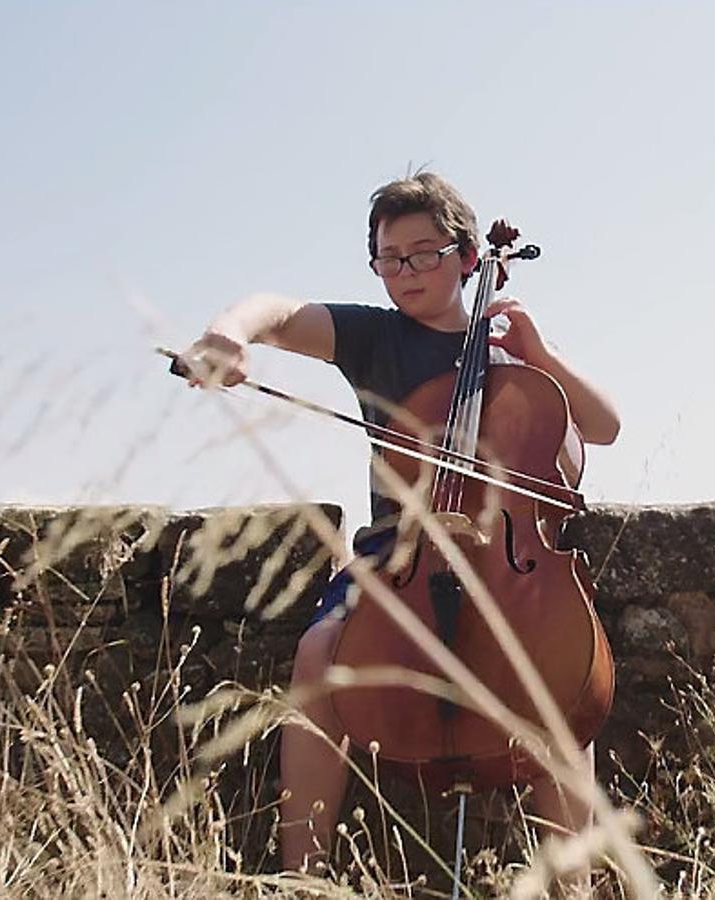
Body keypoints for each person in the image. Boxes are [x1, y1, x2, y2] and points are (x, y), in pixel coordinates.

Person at [180, 172, 621, 878]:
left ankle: (572, 882)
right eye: (389, 257)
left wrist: (539, 352)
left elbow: (603, 427)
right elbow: (278, 309)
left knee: (562, 672)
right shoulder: (375, 337)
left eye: (424, 253)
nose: (405, 271)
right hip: (398, 558)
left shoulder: (511, 355)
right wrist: (227, 334)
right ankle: (304, 879)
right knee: (321, 653)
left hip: (508, 566)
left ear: (469, 258)